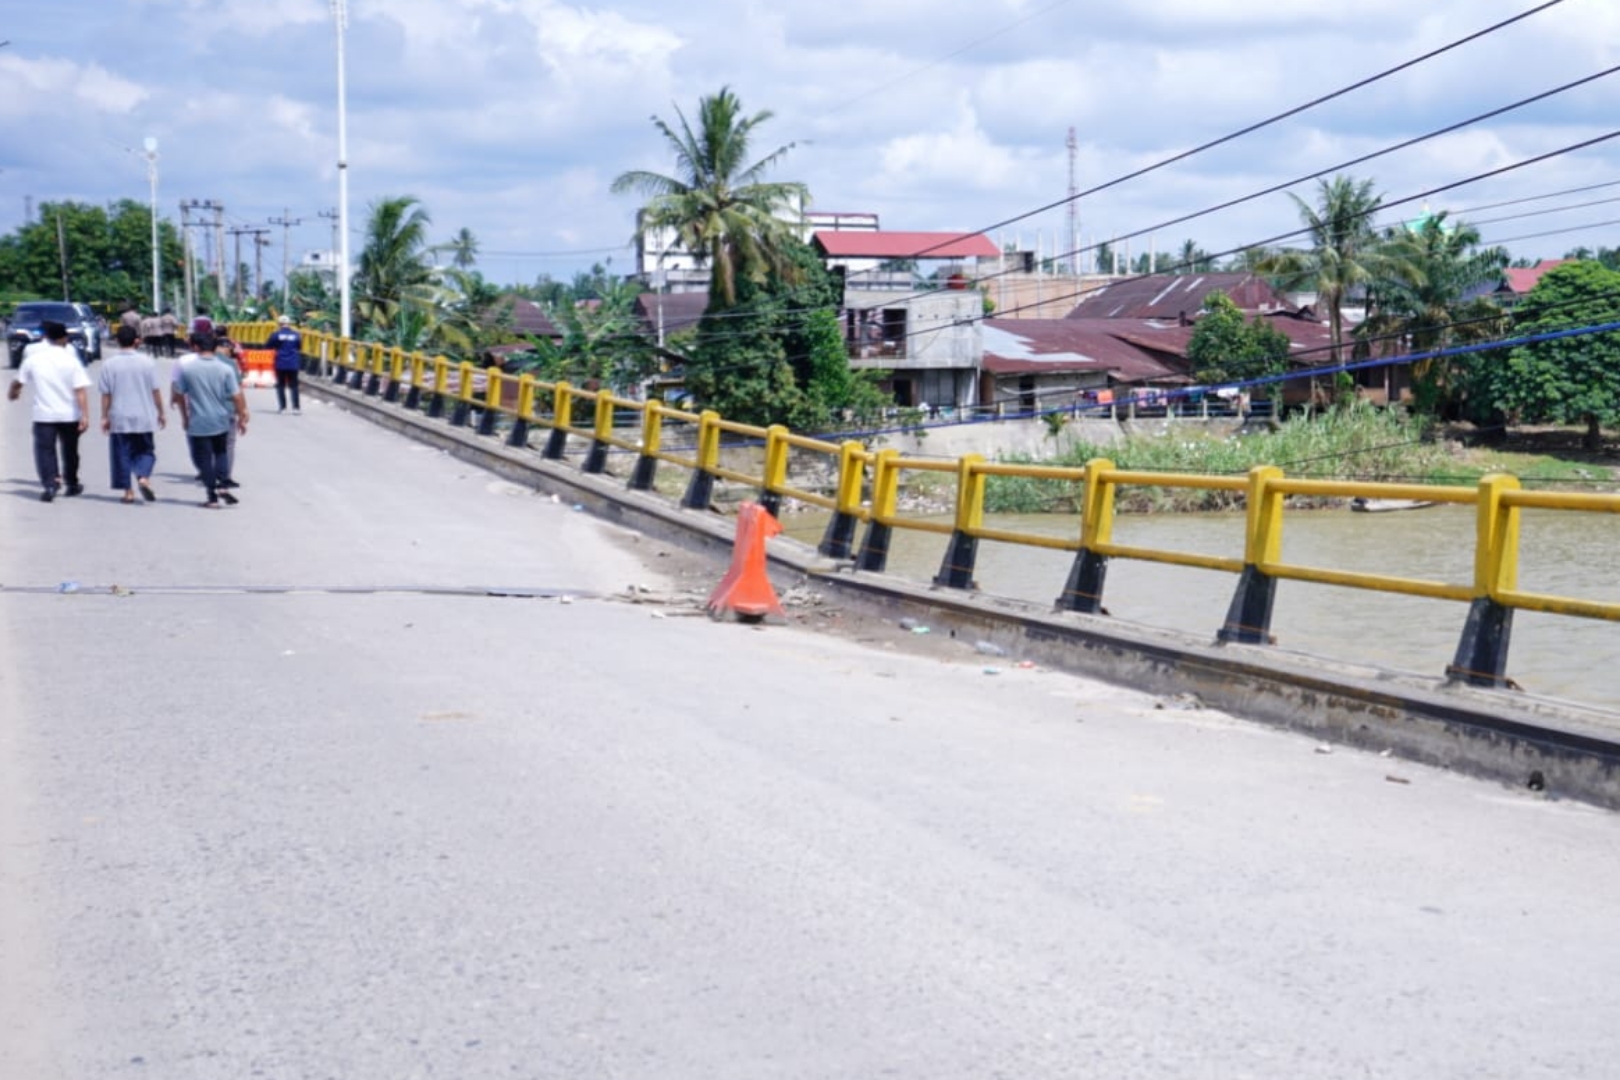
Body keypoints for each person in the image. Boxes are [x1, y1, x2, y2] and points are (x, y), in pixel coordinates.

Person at [7, 320, 92, 502]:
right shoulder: (71, 361)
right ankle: (71, 483)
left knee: (45, 450)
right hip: (69, 414)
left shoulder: (33, 359)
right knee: (70, 450)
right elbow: (80, 390)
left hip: (44, 415)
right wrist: (85, 415)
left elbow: (18, 381)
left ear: (46, 336)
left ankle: (50, 484)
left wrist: (13, 393)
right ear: (64, 338)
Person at [173, 331, 248, 508]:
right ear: (215, 347)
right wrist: (242, 416)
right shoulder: (226, 368)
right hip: (221, 419)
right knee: (221, 452)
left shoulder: (188, 369)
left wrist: (185, 417)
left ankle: (211, 496)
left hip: (198, 420)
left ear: (196, 347)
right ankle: (222, 485)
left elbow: (179, 395)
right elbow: (237, 396)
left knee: (204, 459)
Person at [98, 324, 166, 503]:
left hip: (119, 417)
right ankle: (143, 477)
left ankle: (128, 492)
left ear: (118, 341)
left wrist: (104, 416)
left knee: (121, 454)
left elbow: (106, 394)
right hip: (144, 416)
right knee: (145, 451)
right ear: (137, 341)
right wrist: (161, 412)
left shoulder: (109, 364)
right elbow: (155, 390)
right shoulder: (147, 362)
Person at [265, 314, 303, 413]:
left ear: (279, 324)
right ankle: (296, 408)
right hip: (293, 363)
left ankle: (283, 407)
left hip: (280, 363)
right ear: (289, 324)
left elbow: (268, 346)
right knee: (294, 385)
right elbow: (299, 346)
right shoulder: (296, 335)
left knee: (281, 385)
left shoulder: (275, 335)